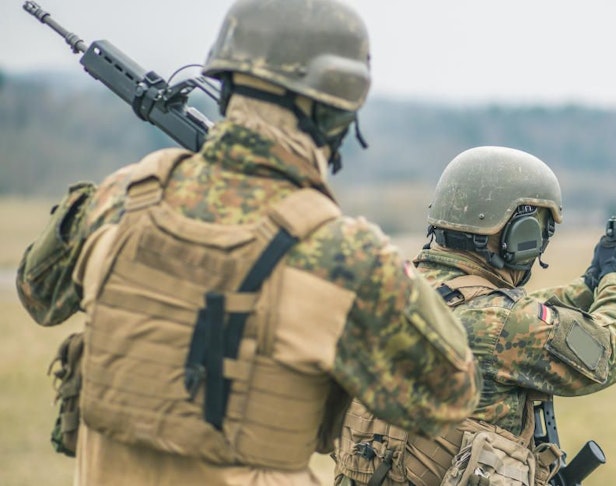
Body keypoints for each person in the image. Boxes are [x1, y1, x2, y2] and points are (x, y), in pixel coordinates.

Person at [15, 1, 479, 484]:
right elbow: (450, 393)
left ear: (226, 83)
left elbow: (37, 294)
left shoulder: (120, 197)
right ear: (336, 110)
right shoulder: (345, 254)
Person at [332, 146, 616, 486]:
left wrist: (589, 283)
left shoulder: (393, 288)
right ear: (519, 233)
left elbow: (493, 313)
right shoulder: (505, 324)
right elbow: (608, 351)